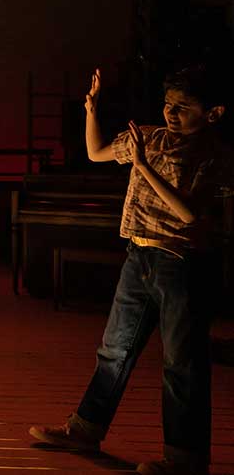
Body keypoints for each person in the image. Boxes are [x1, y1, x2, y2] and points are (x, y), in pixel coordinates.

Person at [29, 65, 233, 475]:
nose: (171, 113)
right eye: (168, 104)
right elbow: (96, 152)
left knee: (182, 364)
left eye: (183, 108)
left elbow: (190, 212)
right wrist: (92, 110)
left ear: (213, 113)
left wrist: (143, 166)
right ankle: (85, 428)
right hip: (138, 255)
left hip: (182, 263)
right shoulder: (151, 136)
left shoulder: (212, 153)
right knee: (114, 349)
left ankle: (184, 458)